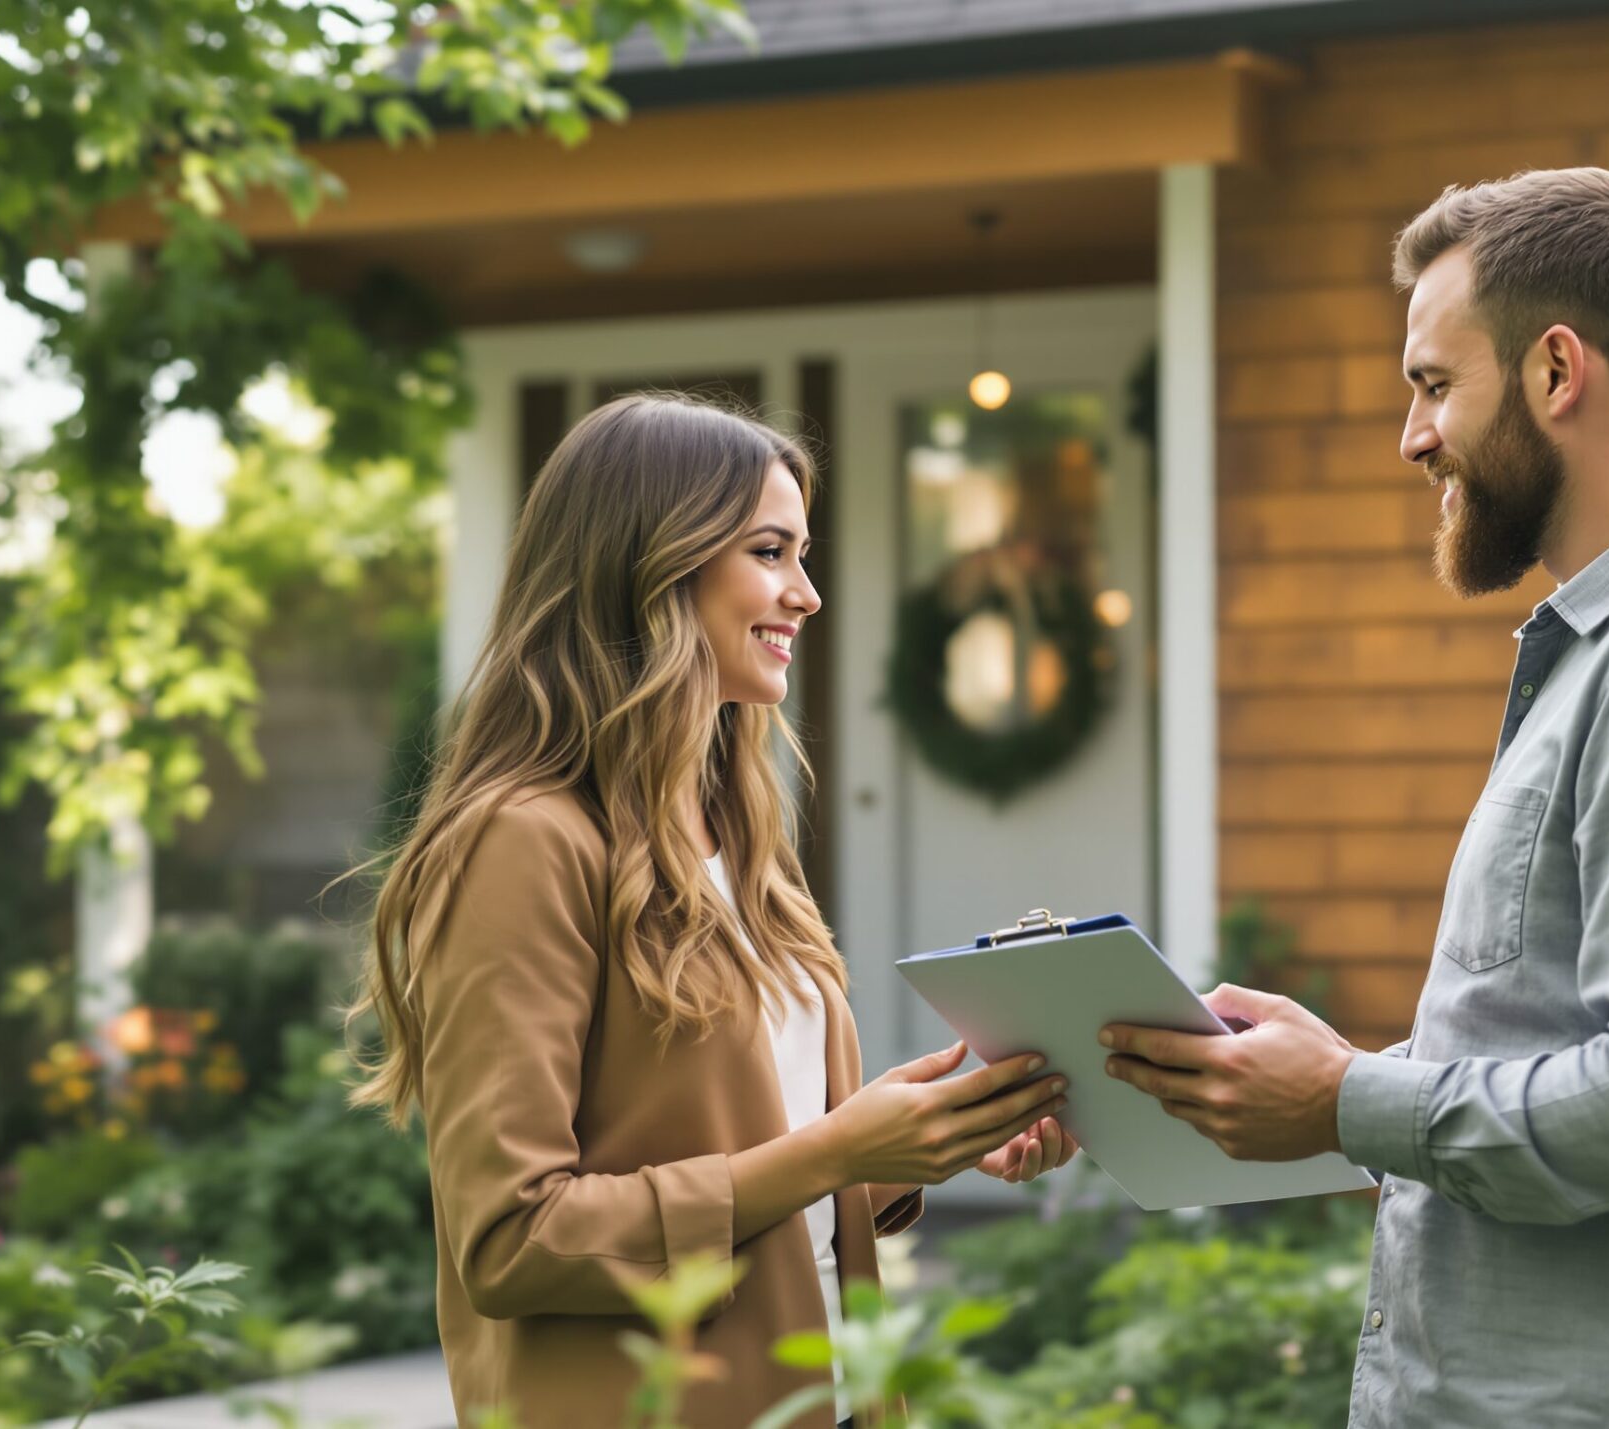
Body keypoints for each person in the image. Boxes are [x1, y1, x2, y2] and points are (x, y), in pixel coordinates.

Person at [1099, 168, 1609, 1426]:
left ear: (1555, 371)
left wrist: (1348, 1101)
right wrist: (1323, 1080)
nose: (1412, 436)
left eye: (1431, 383)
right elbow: (1572, 1042)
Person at [346, 393, 1078, 1429]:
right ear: (652, 562)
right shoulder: (523, 842)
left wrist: (930, 1142)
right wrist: (836, 1150)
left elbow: (750, 1172)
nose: (807, 594)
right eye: (771, 552)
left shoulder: (734, 834)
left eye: (801, 554)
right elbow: (512, 1239)